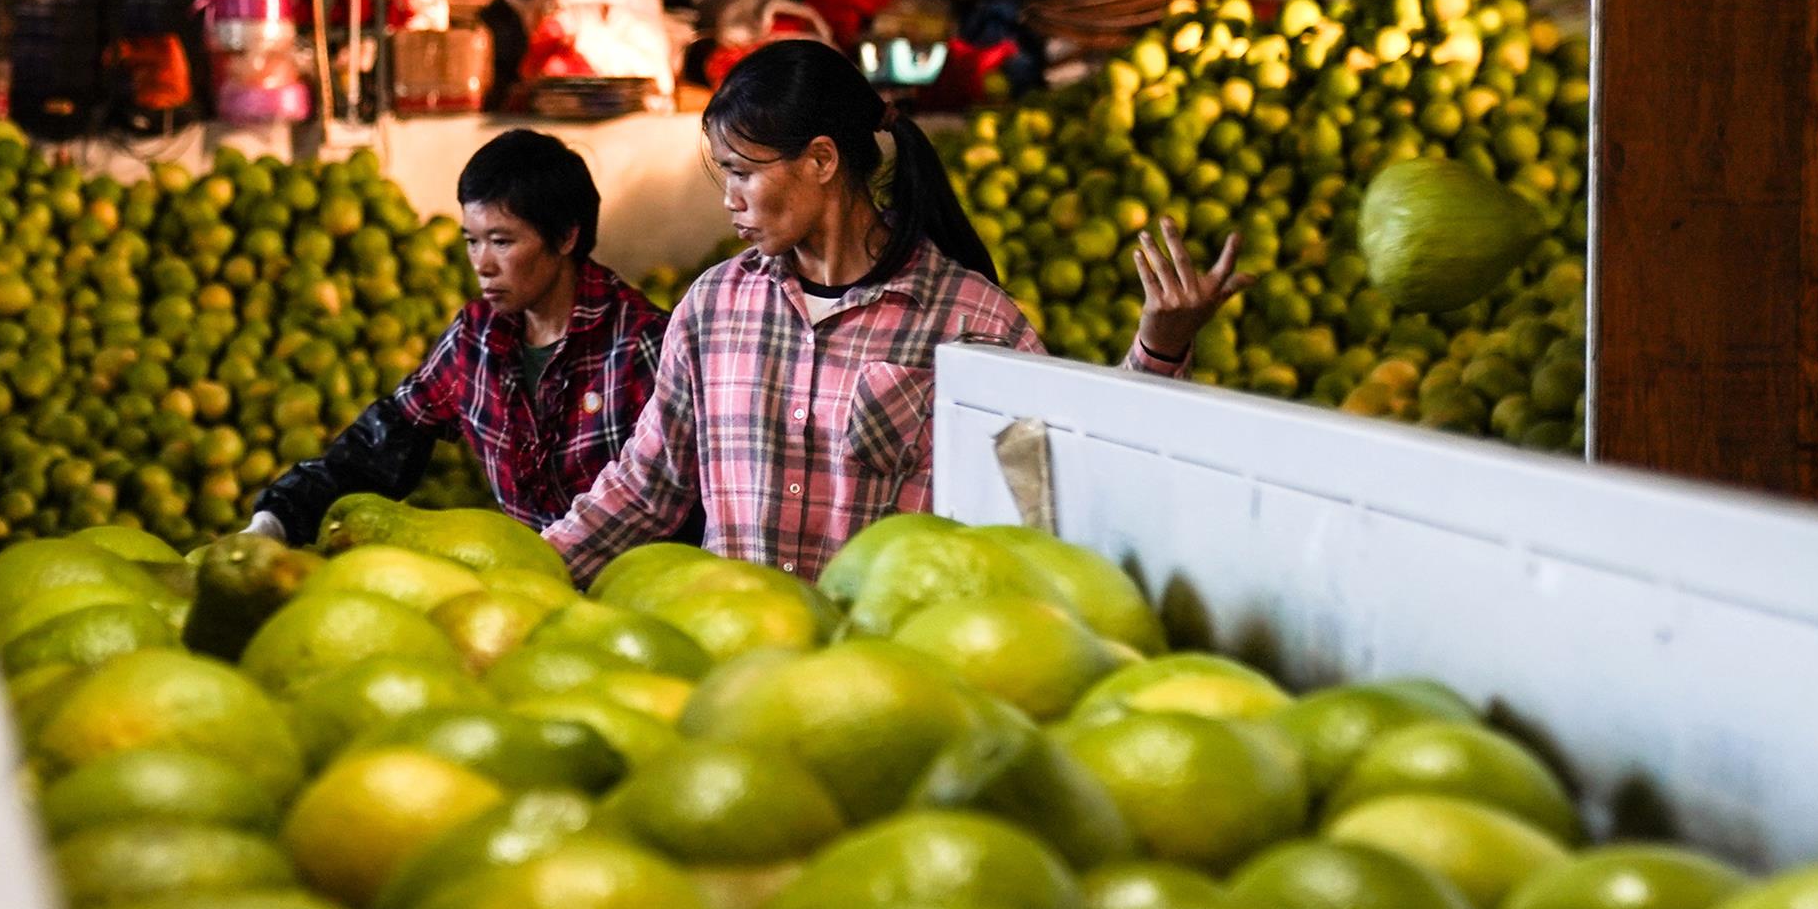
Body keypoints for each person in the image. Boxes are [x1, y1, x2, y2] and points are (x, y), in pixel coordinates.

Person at [542, 39, 1243, 582]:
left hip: (892, 678)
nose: (728, 197)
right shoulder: (713, 308)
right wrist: (526, 571)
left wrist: (1160, 347)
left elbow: (1051, 500)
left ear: (821, 160)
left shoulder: (971, 323)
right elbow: (642, 490)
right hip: (742, 669)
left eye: (743, 172)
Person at [248, 129, 670, 542]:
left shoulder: (642, 343)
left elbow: (666, 495)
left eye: (501, 241)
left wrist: (556, 556)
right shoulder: (477, 338)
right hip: (532, 584)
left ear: (565, 237)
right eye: (472, 241)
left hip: (637, 584)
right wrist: (279, 516)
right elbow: (382, 445)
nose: (482, 264)